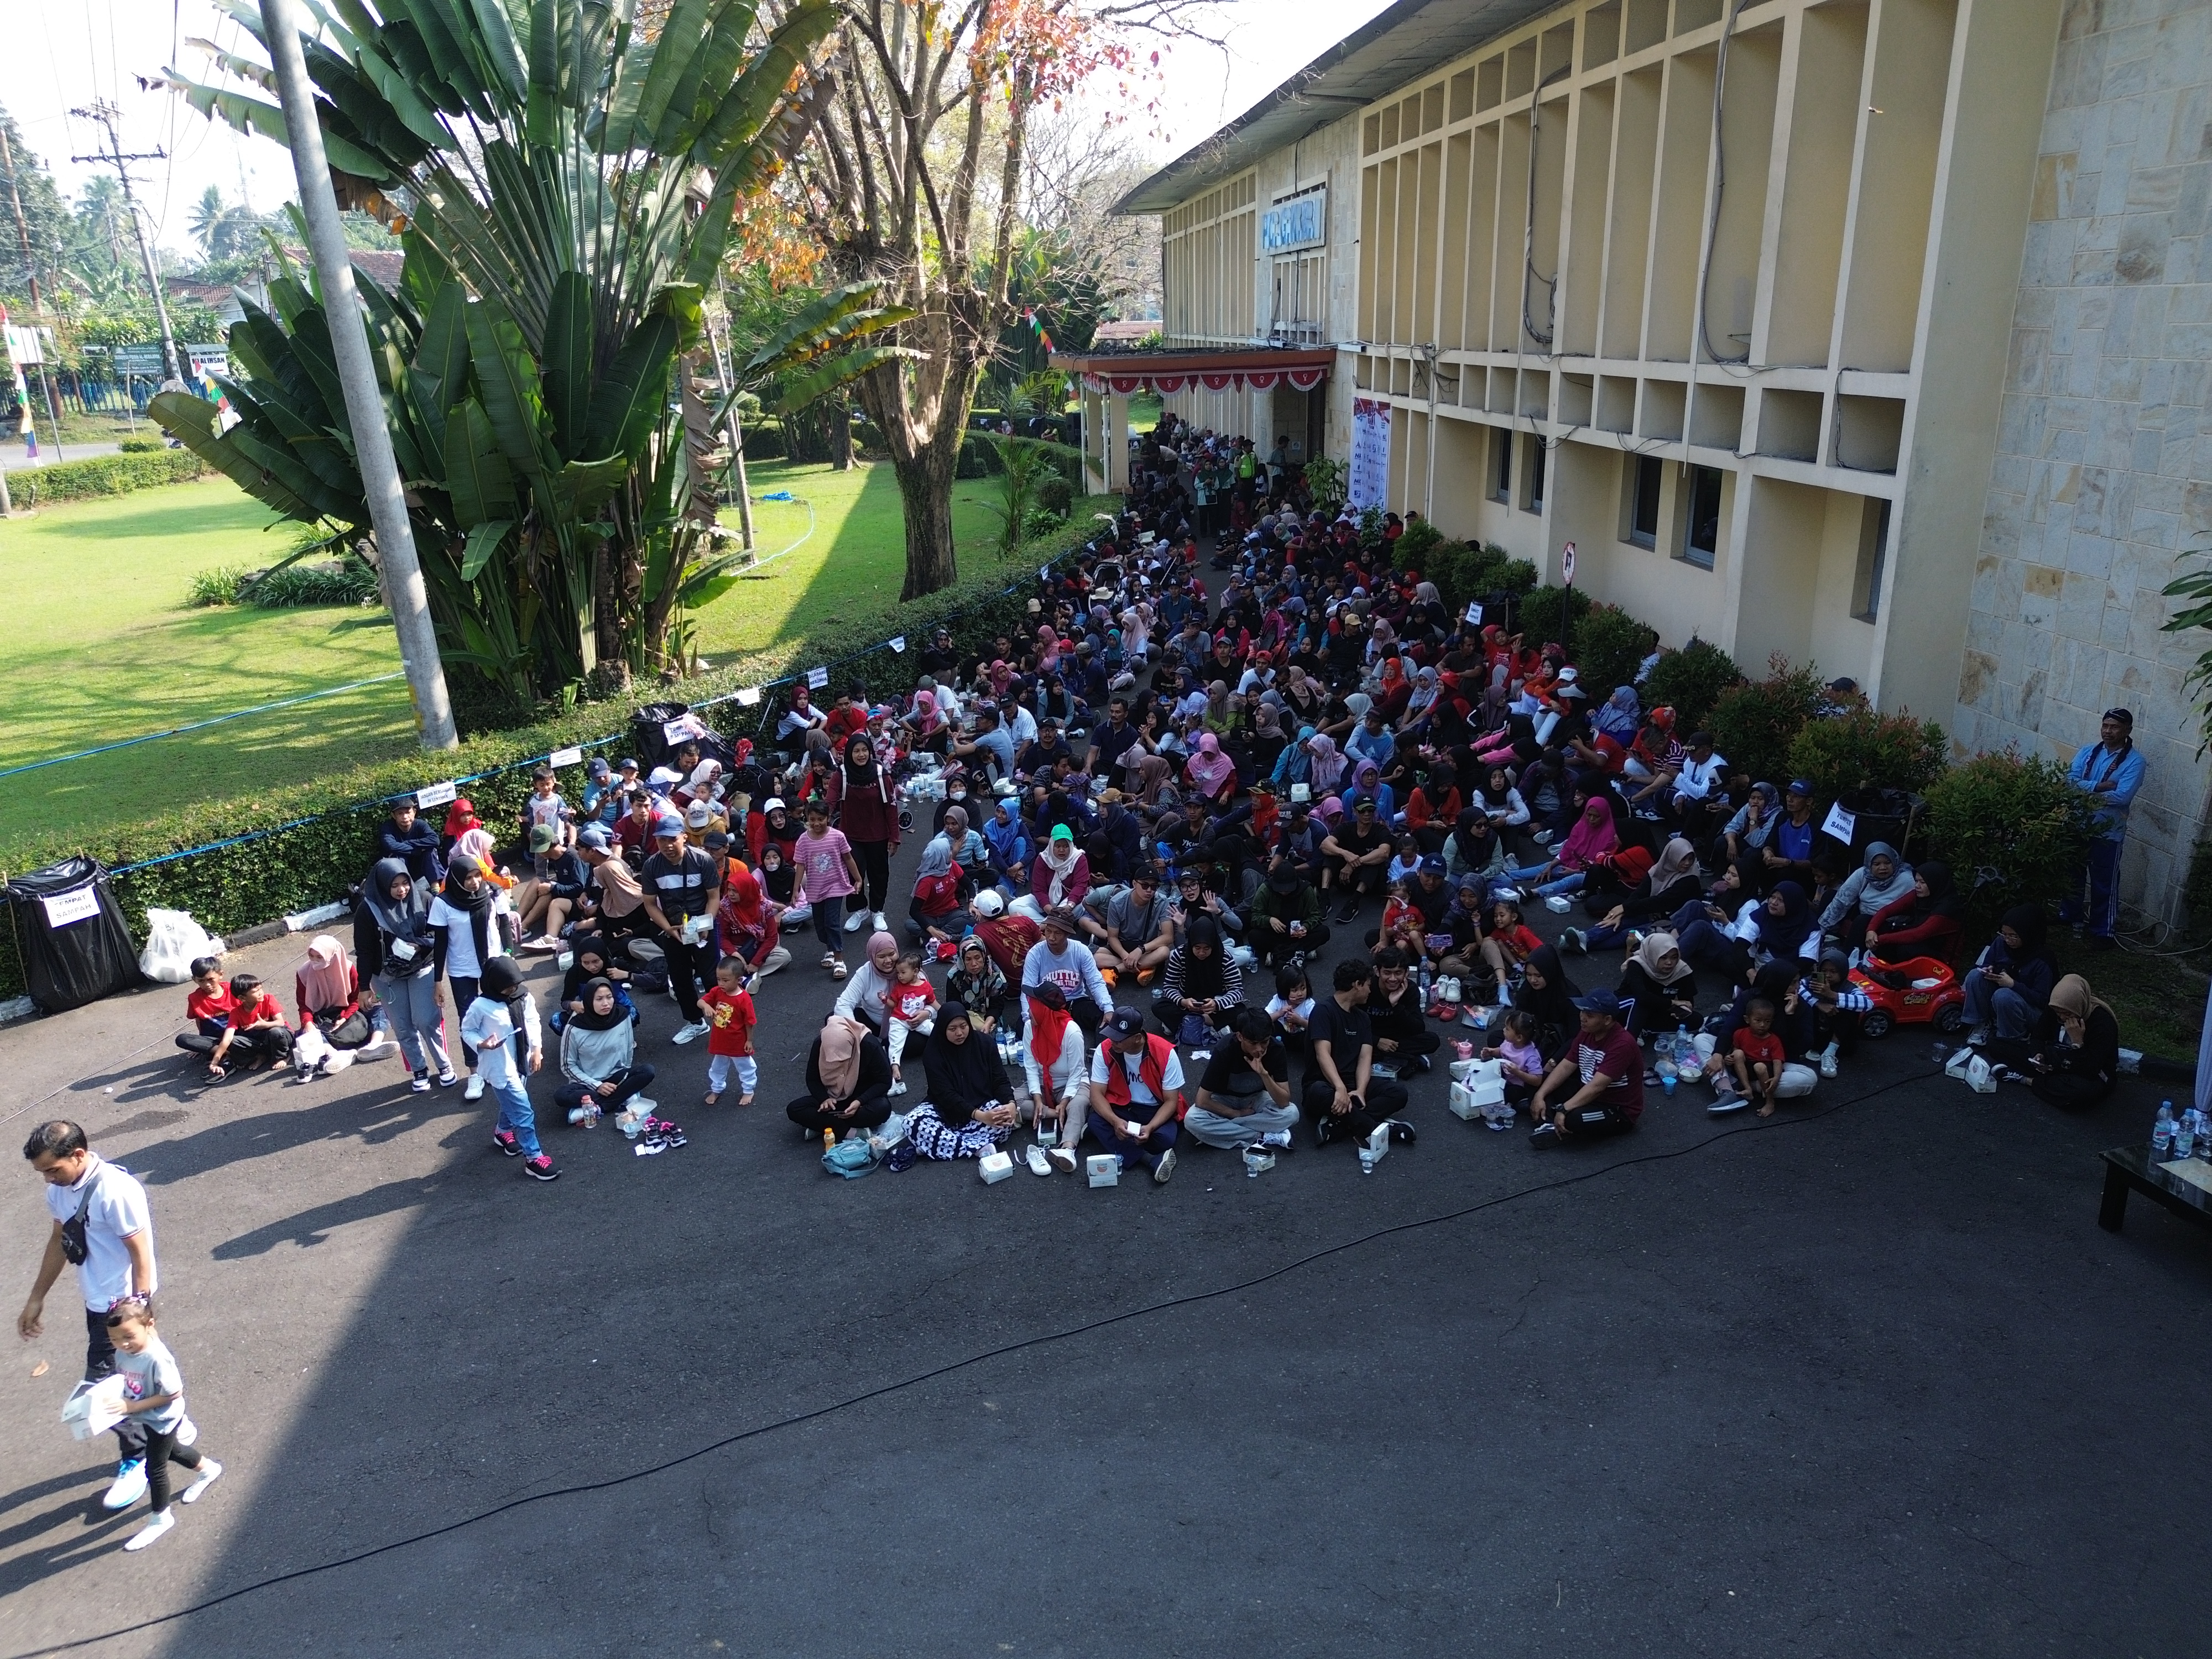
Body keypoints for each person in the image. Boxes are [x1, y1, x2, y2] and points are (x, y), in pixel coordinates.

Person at [18, 1121, 162, 1511]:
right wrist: (36, 1298)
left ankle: (138, 1458)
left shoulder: (116, 1191)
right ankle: (169, 1422)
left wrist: (138, 1311)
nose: (48, 1179)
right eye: (42, 1172)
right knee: (137, 1375)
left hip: (122, 1307)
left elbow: (140, 1253)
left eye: (53, 1169)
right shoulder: (59, 1190)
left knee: (100, 1391)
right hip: (96, 1301)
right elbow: (59, 1240)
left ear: (78, 1155)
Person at [102, 1299, 224, 1551]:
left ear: (149, 1325)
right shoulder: (123, 1352)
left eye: (129, 1337)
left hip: (163, 1418)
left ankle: (161, 1519)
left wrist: (132, 1407)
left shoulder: (157, 1358)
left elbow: (173, 1393)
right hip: (147, 1416)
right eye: (114, 1339)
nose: (123, 1344)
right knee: (174, 1451)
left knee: (155, 1469)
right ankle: (209, 1469)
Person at [356, 858, 456, 1093]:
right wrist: (364, 987)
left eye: (405, 883)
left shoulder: (424, 899)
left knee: (426, 1020)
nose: (402, 890)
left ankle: (444, 1065)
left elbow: (440, 935)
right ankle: (419, 1070)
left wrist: (420, 944)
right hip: (386, 976)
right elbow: (364, 951)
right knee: (402, 1026)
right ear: (382, 886)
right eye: (394, 886)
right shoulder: (368, 909)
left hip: (422, 968)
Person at [1302, 957, 1414, 1150]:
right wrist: (1340, 1088)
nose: (1370, 991)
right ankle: (1375, 1128)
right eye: (1368, 985)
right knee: (1318, 1091)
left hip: (1353, 1084)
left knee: (1398, 1093)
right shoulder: (1323, 1011)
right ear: (1357, 985)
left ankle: (1340, 1124)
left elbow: (1365, 1058)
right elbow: (1323, 1054)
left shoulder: (1363, 1018)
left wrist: (1361, 1091)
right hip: (1326, 1084)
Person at [462, 958, 556, 1182]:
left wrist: (537, 1050)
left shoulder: (524, 996)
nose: (512, 990)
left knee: (512, 1104)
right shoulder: (480, 1006)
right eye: (507, 986)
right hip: (500, 1068)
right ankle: (534, 1158)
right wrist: (482, 1043)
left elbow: (532, 1021)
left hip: (521, 1062)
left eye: (515, 985)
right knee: (524, 1112)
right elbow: (467, 1031)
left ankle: (503, 1132)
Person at [431, 853, 513, 1101]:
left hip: (493, 965)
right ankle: (475, 1073)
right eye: (468, 878)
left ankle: (504, 1063)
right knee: (468, 1021)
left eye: (478, 875)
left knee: (499, 1014)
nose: (475, 882)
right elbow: (440, 943)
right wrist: (438, 981)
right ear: (456, 879)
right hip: (461, 970)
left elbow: (505, 923)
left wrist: (508, 955)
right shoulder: (443, 903)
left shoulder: (493, 892)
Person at [2064, 709, 2146, 948]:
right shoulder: (2088, 751)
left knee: (2104, 882)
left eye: (2115, 727)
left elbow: (2122, 796)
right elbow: (2069, 781)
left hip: (2108, 831)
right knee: (2072, 874)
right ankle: (2069, 915)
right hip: (2078, 824)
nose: (2108, 731)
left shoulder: (2135, 761)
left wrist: (2084, 790)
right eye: (2105, 725)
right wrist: (2098, 787)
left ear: (2128, 730)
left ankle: (2103, 931)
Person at [1528, 989, 1645, 1146]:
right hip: (1586, 1090)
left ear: (1607, 1020)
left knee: (1573, 1119)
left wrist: (1564, 1109)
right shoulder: (1587, 1032)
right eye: (1582, 1012)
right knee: (1539, 1082)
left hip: (1615, 1108)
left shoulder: (1622, 1044)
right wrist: (1540, 1094)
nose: (1582, 1018)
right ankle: (1549, 1124)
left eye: (1590, 1015)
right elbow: (1565, 1067)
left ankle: (1552, 1118)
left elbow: (1597, 1087)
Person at [641, 817, 722, 1044]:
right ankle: (696, 1022)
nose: (667, 845)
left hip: (703, 921)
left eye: (673, 839)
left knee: (712, 976)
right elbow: (650, 904)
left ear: (684, 837)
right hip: (673, 926)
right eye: (662, 840)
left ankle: (724, 1020)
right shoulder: (651, 866)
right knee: (680, 977)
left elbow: (714, 897)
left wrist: (706, 924)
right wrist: (668, 928)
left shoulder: (702, 859)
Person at [905, 1003, 1020, 1159]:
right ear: (942, 1029)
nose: (959, 1033)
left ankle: (939, 1143)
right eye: (952, 1029)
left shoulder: (984, 1044)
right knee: (912, 1122)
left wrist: (1011, 1104)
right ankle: (975, 1147)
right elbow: (946, 1096)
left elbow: (1000, 1079)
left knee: (1003, 1118)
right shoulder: (933, 1053)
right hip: (946, 1110)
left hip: (982, 1103)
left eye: (963, 1026)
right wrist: (980, 1116)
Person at [1086, 1005, 1185, 1183]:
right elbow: (1096, 1095)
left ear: (1138, 1038)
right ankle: (1149, 1160)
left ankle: (1110, 1138)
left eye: (1119, 1039)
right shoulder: (1104, 1049)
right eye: (1111, 1035)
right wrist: (1115, 1121)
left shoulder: (1165, 1052)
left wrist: (1151, 1127)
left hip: (1154, 1109)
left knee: (1166, 1139)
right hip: (1123, 1107)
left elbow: (1171, 1102)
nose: (1112, 1041)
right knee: (1095, 1121)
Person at [1184, 1007, 1300, 1152]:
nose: (1259, 1049)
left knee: (1292, 1114)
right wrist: (1235, 1114)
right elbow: (1202, 1100)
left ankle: (1224, 1129)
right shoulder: (1225, 1049)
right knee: (1191, 1119)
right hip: (1224, 1099)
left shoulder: (1276, 1049)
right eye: (1253, 1043)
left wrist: (1264, 1074)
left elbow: (1284, 1101)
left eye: (1264, 1042)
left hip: (1256, 1098)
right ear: (1240, 1037)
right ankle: (1262, 1135)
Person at [553, 978, 655, 1125]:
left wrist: (624, 1072)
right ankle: (622, 1097)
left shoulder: (623, 1016)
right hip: (588, 1082)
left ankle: (598, 1108)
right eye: (599, 999)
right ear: (589, 1001)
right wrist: (597, 1086)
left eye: (609, 997)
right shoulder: (574, 1028)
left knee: (647, 1071)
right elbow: (568, 1066)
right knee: (561, 1096)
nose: (606, 1003)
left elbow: (629, 1048)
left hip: (616, 1076)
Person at [828, 734, 900, 934]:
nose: (861, 755)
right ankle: (859, 910)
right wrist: (819, 822)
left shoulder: (881, 776)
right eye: (856, 751)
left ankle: (877, 911)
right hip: (850, 836)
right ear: (849, 754)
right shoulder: (842, 774)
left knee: (879, 875)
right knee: (852, 875)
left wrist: (894, 837)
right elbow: (830, 801)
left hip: (878, 835)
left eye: (864, 750)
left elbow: (891, 807)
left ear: (870, 751)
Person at [2015, 975, 2121, 1108]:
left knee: (2080, 1094)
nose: (2062, 1017)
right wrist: (2038, 1054)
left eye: (2068, 1014)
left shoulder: (2103, 1024)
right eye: (2058, 1013)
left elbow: (2091, 1069)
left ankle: (2030, 1081)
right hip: (2058, 1060)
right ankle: (2049, 1081)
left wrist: (2078, 1043)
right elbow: (2038, 1036)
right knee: (1998, 1045)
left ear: (2079, 1006)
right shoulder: (2056, 1008)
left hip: (2089, 1072)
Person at [1960, 904, 2056, 1046]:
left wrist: (2013, 985)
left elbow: (2042, 1000)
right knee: (1975, 976)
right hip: (1999, 1000)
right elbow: (1988, 962)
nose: (2008, 940)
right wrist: (1989, 969)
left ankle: (2012, 1038)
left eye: (2014, 936)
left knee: (2004, 995)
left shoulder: (2043, 960)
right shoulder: (2001, 943)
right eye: (2004, 934)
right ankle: (1981, 1024)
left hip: (2030, 1010)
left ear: (2028, 934)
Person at [785, 1014, 894, 1136]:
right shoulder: (820, 1044)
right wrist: (824, 1099)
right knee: (795, 1109)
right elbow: (813, 1079)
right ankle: (848, 1131)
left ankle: (824, 1126)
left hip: (861, 1099)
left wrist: (860, 1101)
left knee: (882, 1108)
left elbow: (884, 1081)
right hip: (833, 1099)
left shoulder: (869, 1045)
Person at [1152, 914, 1243, 1053]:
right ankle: (1210, 1023)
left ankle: (1190, 1022)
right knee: (1158, 1006)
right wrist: (1183, 1001)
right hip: (1187, 1001)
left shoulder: (1224, 957)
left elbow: (1237, 990)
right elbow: (1169, 987)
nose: (1201, 953)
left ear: (1213, 944)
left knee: (1242, 1012)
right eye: (1197, 948)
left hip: (1215, 1003)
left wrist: (1217, 1004)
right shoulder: (1179, 955)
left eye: (1207, 948)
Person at [792, 800, 863, 977]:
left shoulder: (838, 837)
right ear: (807, 819)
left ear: (828, 818)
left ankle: (839, 959)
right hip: (815, 888)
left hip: (835, 885)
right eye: (812, 819)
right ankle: (830, 948)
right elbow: (800, 865)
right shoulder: (803, 841)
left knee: (832, 922)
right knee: (820, 925)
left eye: (821, 819)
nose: (817, 823)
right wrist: (796, 889)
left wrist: (858, 879)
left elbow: (848, 858)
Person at [1022, 906, 1113, 1035]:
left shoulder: (1081, 951)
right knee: (1023, 1026)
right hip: (1046, 1004)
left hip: (1075, 1002)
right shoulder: (1035, 954)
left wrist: (1108, 1008)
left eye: (1057, 933)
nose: (1051, 938)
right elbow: (1027, 988)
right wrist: (1028, 1018)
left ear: (1068, 934)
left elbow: (1095, 982)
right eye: (1048, 931)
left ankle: (1101, 1049)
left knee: (1105, 1020)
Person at [1085, 862, 1176, 983]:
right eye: (1145, 885)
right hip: (1122, 948)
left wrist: (1140, 950)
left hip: (1146, 948)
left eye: (1154, 887)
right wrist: (1126, 957)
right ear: (1134, 884)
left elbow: (1168, 937)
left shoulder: (1162, 901)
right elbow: (1112, 937)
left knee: (1164, 951)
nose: (1149, 890)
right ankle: (1145, 967)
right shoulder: (1117, 902)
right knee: (1094, 957)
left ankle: (1116, 970)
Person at [1817, 842, 1915, 951]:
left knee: (1862, 920)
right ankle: (1829, 938)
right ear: (1869, 865)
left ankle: (1848, 955)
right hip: (1862, 913)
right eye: (1877, 864)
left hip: (1888, 923)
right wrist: (1820, 931)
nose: (1883, 868)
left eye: (1887, 863)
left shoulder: (1907, 879)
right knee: (1830, 896)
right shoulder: (1863, 874)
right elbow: (1842, 901)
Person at [1866, 859, 1965, 965]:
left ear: (1934, 883)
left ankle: (1893, 971)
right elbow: (1887, 910)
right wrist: (1871, 930)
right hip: (1919, 943)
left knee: (1906, 948)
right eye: (1916, 881)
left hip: (1941, 957)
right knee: (1865, 920)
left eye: (1923, 883)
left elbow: (1919, 934)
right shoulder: (1919, 894)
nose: (1917, 886)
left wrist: (1879, 940)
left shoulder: (1948, 908)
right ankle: (1857, 961)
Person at [1366, 947, 1440, 1077]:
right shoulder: (1367, 989)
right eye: (1387, 973)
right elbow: (1352, 1024)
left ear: (1407, 973)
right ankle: (1407, 1058)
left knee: (1432, 1040)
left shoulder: (1410, 989)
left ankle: (1387, 1058)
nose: (1393, 979)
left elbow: (1418, 1028)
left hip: (1399, 1037)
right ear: (1377, 971)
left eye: (1398, 973)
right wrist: (1377, 1041)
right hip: (1371, 1035)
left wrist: (1396, 1005)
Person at [204, 973, 295, 1076]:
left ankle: (283, 1057)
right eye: (256, 991)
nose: (261, 993)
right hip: (261, 1043)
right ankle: (262, 1056)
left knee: (275, 1032)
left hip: (282, 1036)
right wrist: (214, 1063)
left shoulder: (268, 999)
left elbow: (280, 1022)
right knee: (233, 1041)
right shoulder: (236, 1013)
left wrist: (265, 1024)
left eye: (261, 989)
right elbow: (227, 1039)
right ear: (242, 998)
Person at [696, 957, 758, 1107]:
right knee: (717, 1068)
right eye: (719, 979)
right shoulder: (717, 992)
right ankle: (716, 1089)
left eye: (726, 980)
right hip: (720, 1040)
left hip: (738, 1042)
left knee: (746, 1067)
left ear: (739, 980)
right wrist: (706, 1006)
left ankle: (748, 1090)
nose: (721, 984)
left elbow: (749, 1022)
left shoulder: (744, 999)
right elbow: (700, 1002)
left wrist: (749, 1040)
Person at [1320, 795, 1394, 922]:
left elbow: (1384, 852)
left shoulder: (1381, 830)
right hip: (1344, 878)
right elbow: (1325, 845)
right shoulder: (1345, 827)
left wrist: (1353, 863)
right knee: (1330, 854)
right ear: (1354, 812)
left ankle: (1354, 903)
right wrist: (1345, 854)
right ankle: (1324, 898)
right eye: (1362, 810)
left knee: (1375, 862)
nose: (1367, 814)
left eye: (1370, 810)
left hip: (1367, 882)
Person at [1249, 852, 1328, 968]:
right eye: (1281, 889)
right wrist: (1269, 920)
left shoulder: (1306, 890)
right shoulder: (1265, 890)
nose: (1284, 892)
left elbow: (1316, 916)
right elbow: (1255, 917)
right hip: (1275, 934)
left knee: (1324, 932)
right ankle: (1300, 952)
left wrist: (1305, 927)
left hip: (1298, 934)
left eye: (1288, 889)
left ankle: (1278, 954)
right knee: (1254, 936)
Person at [1712, 997, 1787, 1117]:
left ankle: (1770, 1101)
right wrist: (1728, 1058)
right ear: (1747, 1019)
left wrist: (1777, 1078)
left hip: (1764, 1068)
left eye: (1767, 1022)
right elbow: (1735, 1050)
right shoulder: (1740, 1033)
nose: (1762, 1025)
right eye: (1758, 1020)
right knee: (1738, 1053)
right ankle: (1748, 1090)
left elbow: (1778, 1061)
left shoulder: (1774, 1040)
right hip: (1746, 1066)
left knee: (1759, 1067)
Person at [1617, 932, 1698, 1036]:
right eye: (1663, 957)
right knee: (1641, 1003)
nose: (1669, 963)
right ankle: (1629, 1039)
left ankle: (1645, 1029)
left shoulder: (1682, 970)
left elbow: (1687, 1001)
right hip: (1627, 1007)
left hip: (1658, 1008)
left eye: (1674, 957)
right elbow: (1642, 996)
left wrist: (1682, 1011)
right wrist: (1673, 1002)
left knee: (1696, 1020)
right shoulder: (1637, 964)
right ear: (1653, 954)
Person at [881, 952, 940, 1095]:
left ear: (915, 972)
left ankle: (947, 1049)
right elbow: (894, 1004)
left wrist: (945, 1012)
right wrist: (885, 1000)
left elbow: (933, 1002)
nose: (899, 976)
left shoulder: (925, 986)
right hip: (900, 1021)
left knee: (936, 1031)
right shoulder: (899, 988)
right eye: (898, 973)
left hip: (920, 1021)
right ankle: (895, 1065)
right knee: (896, 1043)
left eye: (903, 972)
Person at [173, 957, 236, 1073]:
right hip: (214, 1039)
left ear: (221, 974)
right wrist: (199, 1043)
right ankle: (231, 1053)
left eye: (211, 980)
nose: (207, 984)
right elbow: (199, 1019)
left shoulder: (233, 990)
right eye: (201, 981)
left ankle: (222, 1053)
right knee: (182, 1039)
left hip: (235, 1036)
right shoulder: (194, 998)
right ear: (194, 980)